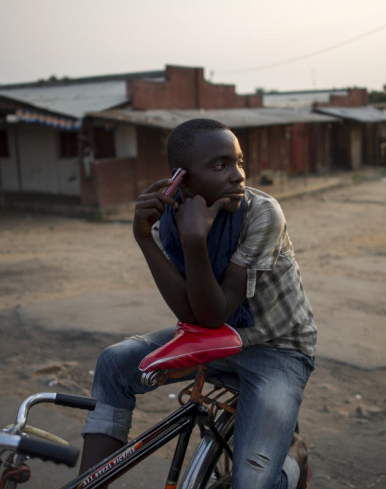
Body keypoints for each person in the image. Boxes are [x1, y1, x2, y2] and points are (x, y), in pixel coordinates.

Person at [80, 118, 316, 489]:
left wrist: (195, 240)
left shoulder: (262, 212)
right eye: (220, 166)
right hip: (213, 339)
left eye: (239, 161)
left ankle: (294, 456)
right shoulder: (167, 223)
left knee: (254, 481)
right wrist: (144, 239)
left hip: (277, 349)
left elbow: (213, 313)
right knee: (113, 363)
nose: (238, 175)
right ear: (183, 179)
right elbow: (191, 316)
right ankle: (88, 484)